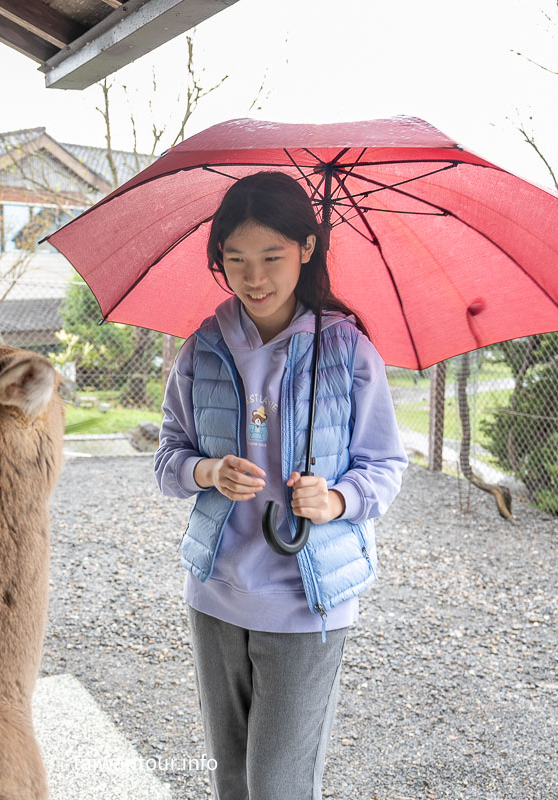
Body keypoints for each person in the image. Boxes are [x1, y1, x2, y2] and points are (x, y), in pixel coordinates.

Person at [154, 171, 407, 800]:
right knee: (233, 778)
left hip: (307, 598)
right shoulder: (202, 350)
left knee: (279, 785)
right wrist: (205, 472)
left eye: (271, 256)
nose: (254, 277)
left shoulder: (348, 352)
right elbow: (168, 458)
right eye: (235, 260)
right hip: (215, 591)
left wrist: (338, 499)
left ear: (307, 248)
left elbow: (384, 464)